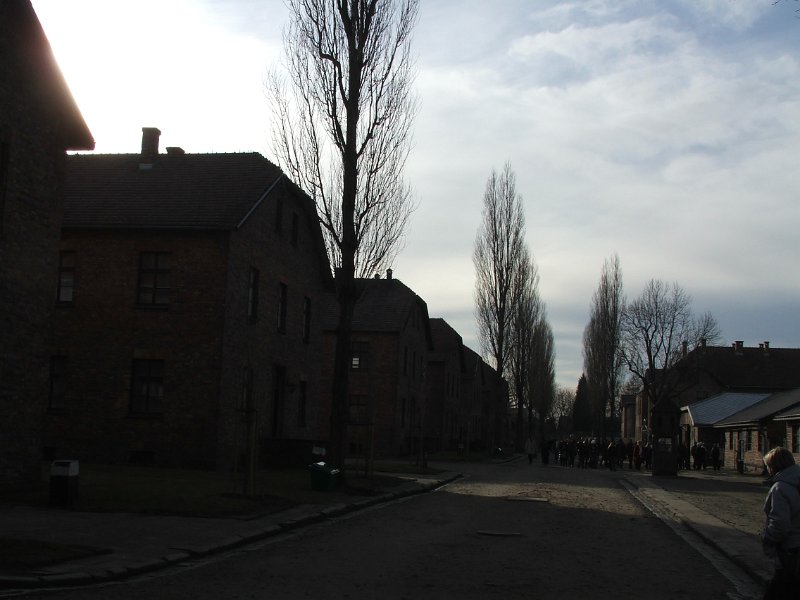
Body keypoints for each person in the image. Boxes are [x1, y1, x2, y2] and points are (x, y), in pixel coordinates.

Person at [761, 446, 800, 598]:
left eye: (768, 466)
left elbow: (779, 524)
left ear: (774, 466)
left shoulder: (780, 488)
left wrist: (767, 538)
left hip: (790, 549)